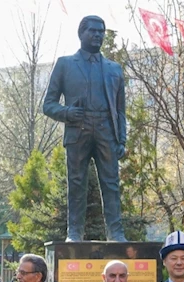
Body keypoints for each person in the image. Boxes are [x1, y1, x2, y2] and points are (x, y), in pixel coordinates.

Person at [42, 15, 127, 242]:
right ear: (81, 34)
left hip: (106, 128)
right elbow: (48, 105)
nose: (98, 34)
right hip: (77, 128)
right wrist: (68, 112)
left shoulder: (114, 69)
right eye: (93, 31)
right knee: (76, 183)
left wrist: (122, 140)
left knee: (111, 183)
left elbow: (120, 110)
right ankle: (75, 232)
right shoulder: (65, 64)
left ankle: (116, 233)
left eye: (101, 31)